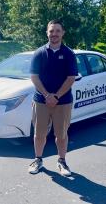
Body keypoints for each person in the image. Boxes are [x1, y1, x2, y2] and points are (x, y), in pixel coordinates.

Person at [28, 19, 78, 176]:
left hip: (62, 102)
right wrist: (47, 95)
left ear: (63, 33)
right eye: (51, 31)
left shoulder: (69, 54)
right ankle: (38, 160)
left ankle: (62, 161)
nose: (54, 34)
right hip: (41, 101)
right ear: (47, 33)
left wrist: (55, 96)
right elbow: (34, 77)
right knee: (39, 133)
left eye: (57, 31)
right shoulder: (39, 53)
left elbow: (71, 78)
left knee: (61, 135)